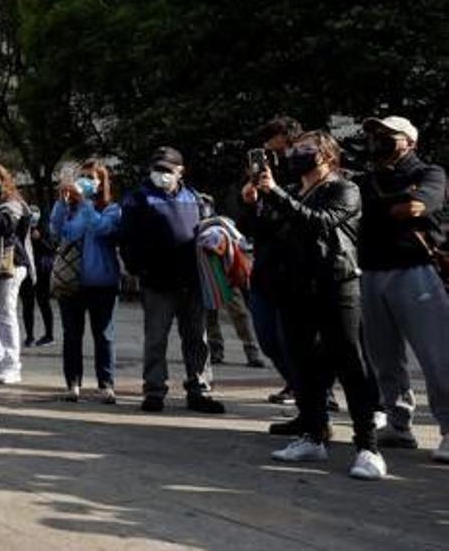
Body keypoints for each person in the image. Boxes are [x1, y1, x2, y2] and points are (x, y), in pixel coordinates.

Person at [245, 131, 386, 480]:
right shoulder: (291, 192)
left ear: (327, 156)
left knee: (350, 363)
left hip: (336, 285)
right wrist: (256, 201)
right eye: (294, 150)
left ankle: (368, 447)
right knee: (303, 365)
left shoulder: (344, 189)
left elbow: (320, 222)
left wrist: (275, 194)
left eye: (306, 149)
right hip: (296, 288)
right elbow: (268, 232)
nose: (296, 155)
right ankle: (313, 435)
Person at [356, 116, 449, 463]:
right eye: (374, 135)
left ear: (408, 141)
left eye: (386, 135)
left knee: (437, 356)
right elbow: (380, 210)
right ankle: (398, 424)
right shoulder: (368, 179)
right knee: (383, 357)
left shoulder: (430, 173)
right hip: (371, 272)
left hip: (415, 272)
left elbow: (414, 206)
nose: (377, 140)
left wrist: (389, 206)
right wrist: (391, 206)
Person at [119, 147, 225, 414]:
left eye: (167, 170)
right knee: (156, 338)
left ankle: (199, 389)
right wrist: (138, 269)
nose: (161, 175)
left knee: (196, 339)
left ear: (180, 171)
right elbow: (127, 239)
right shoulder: (138, 199)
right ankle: (154, 391)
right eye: (157, 169)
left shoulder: (196, 199)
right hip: (157, 282)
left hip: (192, 281)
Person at [239, 116, 303, 403]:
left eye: (275, 151)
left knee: (297, 339)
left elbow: (301, 220)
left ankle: (315, 392)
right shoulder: (263, 182)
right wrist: (251, 202)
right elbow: (251, 227)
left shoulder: (304, 178)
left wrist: (275, 191)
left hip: (296, 270)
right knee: (267, 337)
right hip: (266, 268)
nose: (270, 158)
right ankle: (295, 382)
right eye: (266, 151)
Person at [50, 159, 122, 403]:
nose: (87, 181)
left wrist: (85, 204)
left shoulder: (110, 209)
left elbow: (102, 229)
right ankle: (73, 383)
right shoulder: (72, 207)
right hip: (72, 282)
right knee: (72, 335)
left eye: (92, 177)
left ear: (102, 182)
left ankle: (106, 384)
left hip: (102, 282)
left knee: (104, 335)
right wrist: (63, 200)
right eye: (83, 176)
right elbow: (60, 231)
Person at [0, 164, 35, 385]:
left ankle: (13, 365)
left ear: (4, 181)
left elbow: (4, 226)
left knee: (5, 313)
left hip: (11, 264)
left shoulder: (12, 203)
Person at [22, 206, 56, 347]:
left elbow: (52, 248)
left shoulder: (46, 228)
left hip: (42, 270)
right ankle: (29, 336)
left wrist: (39, 238)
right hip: (27, 269)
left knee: (43, 302)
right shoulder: (22, 228)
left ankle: (49, 335)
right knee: (27, 304)